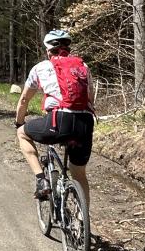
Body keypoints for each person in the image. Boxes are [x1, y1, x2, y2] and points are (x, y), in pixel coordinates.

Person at [14, 29, 95, 200]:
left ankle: (41, 180)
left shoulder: (40, 68)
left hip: (58, 120)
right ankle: (82, 219)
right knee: (79, 174)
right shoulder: (83, 67)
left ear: (47, 50)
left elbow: (23, 101)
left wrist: (19, 122)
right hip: (85, 122)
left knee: (22, 134)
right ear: (68, 48)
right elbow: (90, 99)